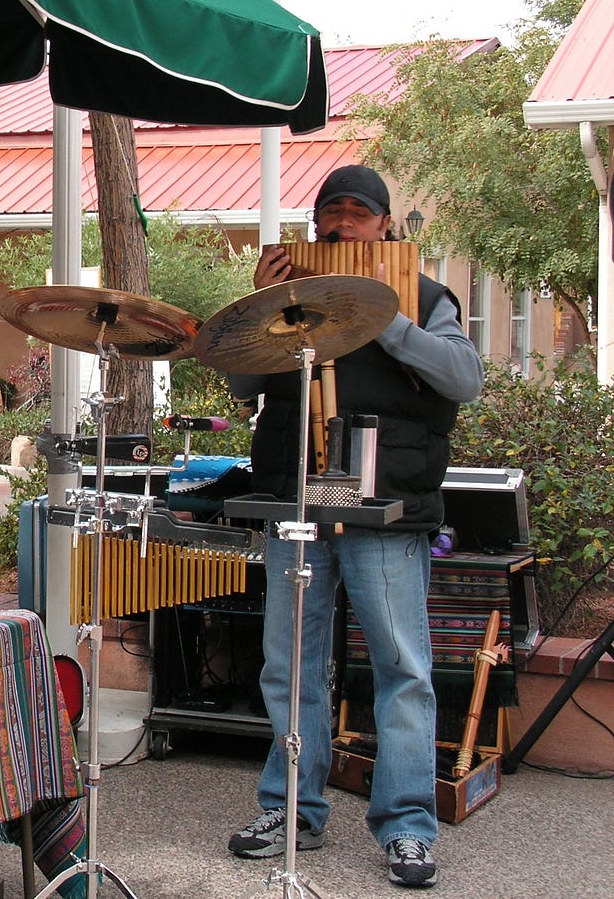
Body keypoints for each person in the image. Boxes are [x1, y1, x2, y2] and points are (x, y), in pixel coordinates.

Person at [224, 165, 483, 890]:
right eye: (330, 214)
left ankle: (406, 826)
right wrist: (260, 309)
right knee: (289, 664)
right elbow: (242, 382)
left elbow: (463, 377)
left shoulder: (424, 296)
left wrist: (382, 317)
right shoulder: (290, 296)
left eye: (357, 215)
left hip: (384, 507)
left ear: (384, 226)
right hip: (298, 500)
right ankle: (290, 810)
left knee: (402, 668)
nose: (341, 226)